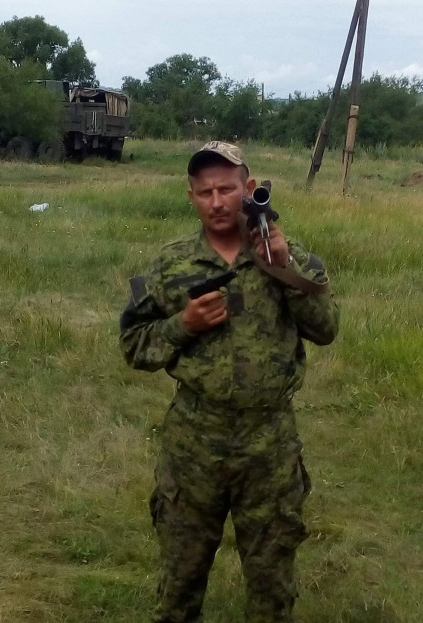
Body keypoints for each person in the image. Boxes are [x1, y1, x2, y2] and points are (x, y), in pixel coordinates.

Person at [119, 141, 339, 622]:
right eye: (205, 192)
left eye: (227, 189)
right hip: (195, 442)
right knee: (180, 579)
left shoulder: (285, 256)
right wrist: (183, 325)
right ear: (191, 196)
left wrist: (283, 266)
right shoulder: (170, 265)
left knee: (272, 582)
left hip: (269, 444)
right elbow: (133, 345)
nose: (217, 202)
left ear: (249, 188)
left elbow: (326, 330)